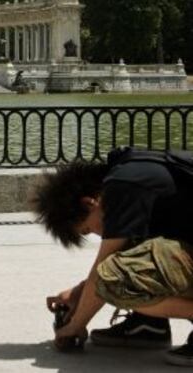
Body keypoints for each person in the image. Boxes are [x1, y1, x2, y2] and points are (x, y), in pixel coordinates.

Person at [31, 148, 193, 367]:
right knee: (130, 255)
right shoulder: (132, 173)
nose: (99, 235)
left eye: (88, 230)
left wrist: (75, 325)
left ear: (89, 203)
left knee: (114, 278)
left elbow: (103, 272)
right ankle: (149, 324)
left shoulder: (122, 185)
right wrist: (79, 291)